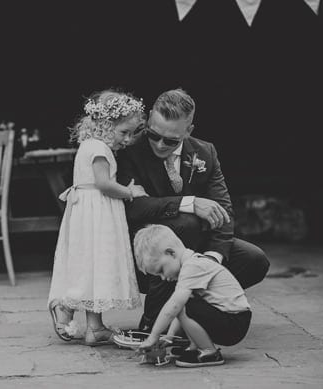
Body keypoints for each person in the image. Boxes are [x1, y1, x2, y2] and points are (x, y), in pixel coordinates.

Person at [116, 88, 269, 333]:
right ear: (149, 118)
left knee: (254, 260)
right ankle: (152, 322)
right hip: (145, 254)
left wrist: (210, 262)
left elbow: (224, 210)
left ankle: (194, 313)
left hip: (193, 252)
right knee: (185, 224)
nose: (159, 144)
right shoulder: (128, 150)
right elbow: (134, 207)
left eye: (171, 140)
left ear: (188, 131)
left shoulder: (205, 152)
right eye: (153, 135)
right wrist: (189, 203)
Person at [48, 90, 148, 346]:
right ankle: (66, 307)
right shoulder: (100, 149)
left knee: (94, 265)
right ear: (105, 125)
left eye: (131, 133)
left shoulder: (89, 145)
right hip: (98, 212)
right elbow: (103, 184)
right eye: (124, 132)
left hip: (87, 212)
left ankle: (95, 327)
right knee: (96, 261)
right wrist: (130, 192)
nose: (127, 139)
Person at [133, 225, 251, 367]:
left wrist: (153, 337)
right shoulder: (191, 265)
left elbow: (176, 307)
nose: (163, 278)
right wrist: (170, 336)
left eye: (161, 270)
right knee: (184, 302)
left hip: (234, 323)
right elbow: (182, 311)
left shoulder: (193, 266)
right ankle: (195, 347)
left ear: (171, 253)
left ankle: (209, 352)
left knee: (179, 303)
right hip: (231, 319)